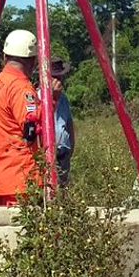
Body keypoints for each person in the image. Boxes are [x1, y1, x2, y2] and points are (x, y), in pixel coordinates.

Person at [0, 29, 43, 206]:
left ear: (4, 57)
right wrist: (50, 103)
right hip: (23, 178)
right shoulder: (21, 88)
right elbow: (31, 128)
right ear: (32, 61)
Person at [51, 57, 75, 186]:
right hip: (49, 150)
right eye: (55, 77)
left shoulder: (64, 99)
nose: (58, 81)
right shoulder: (39, 96)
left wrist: (71, 145)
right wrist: (52, 96)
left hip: (63, 149)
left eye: (60, 78)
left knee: (63, 185)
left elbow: (69, 122)